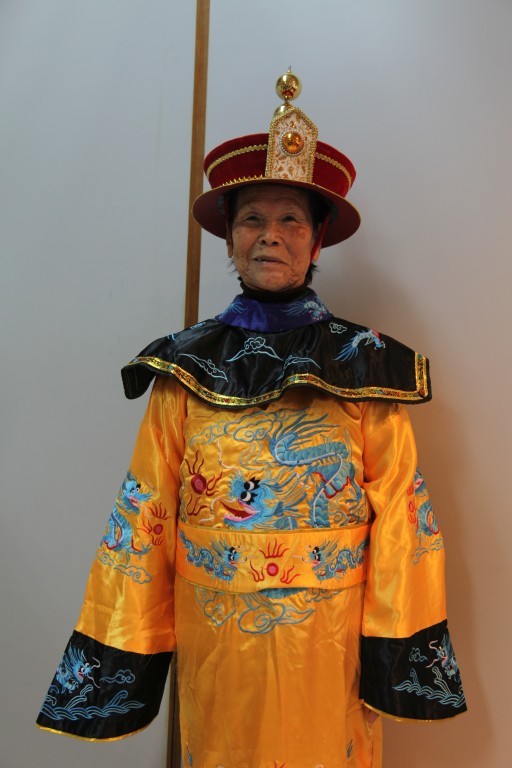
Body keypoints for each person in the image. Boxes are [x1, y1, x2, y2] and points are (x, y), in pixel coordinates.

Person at [37, 71, 466, 767]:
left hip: (329, 645)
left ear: (317, 241)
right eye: (252, 220)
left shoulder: (365, 367)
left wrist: (393, 650)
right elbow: (144, 515)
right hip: (218, 642)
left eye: (291, 219)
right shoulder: (183, 368)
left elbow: (403, 518)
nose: (271, 236)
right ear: (230, 239)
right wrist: (122, 653)